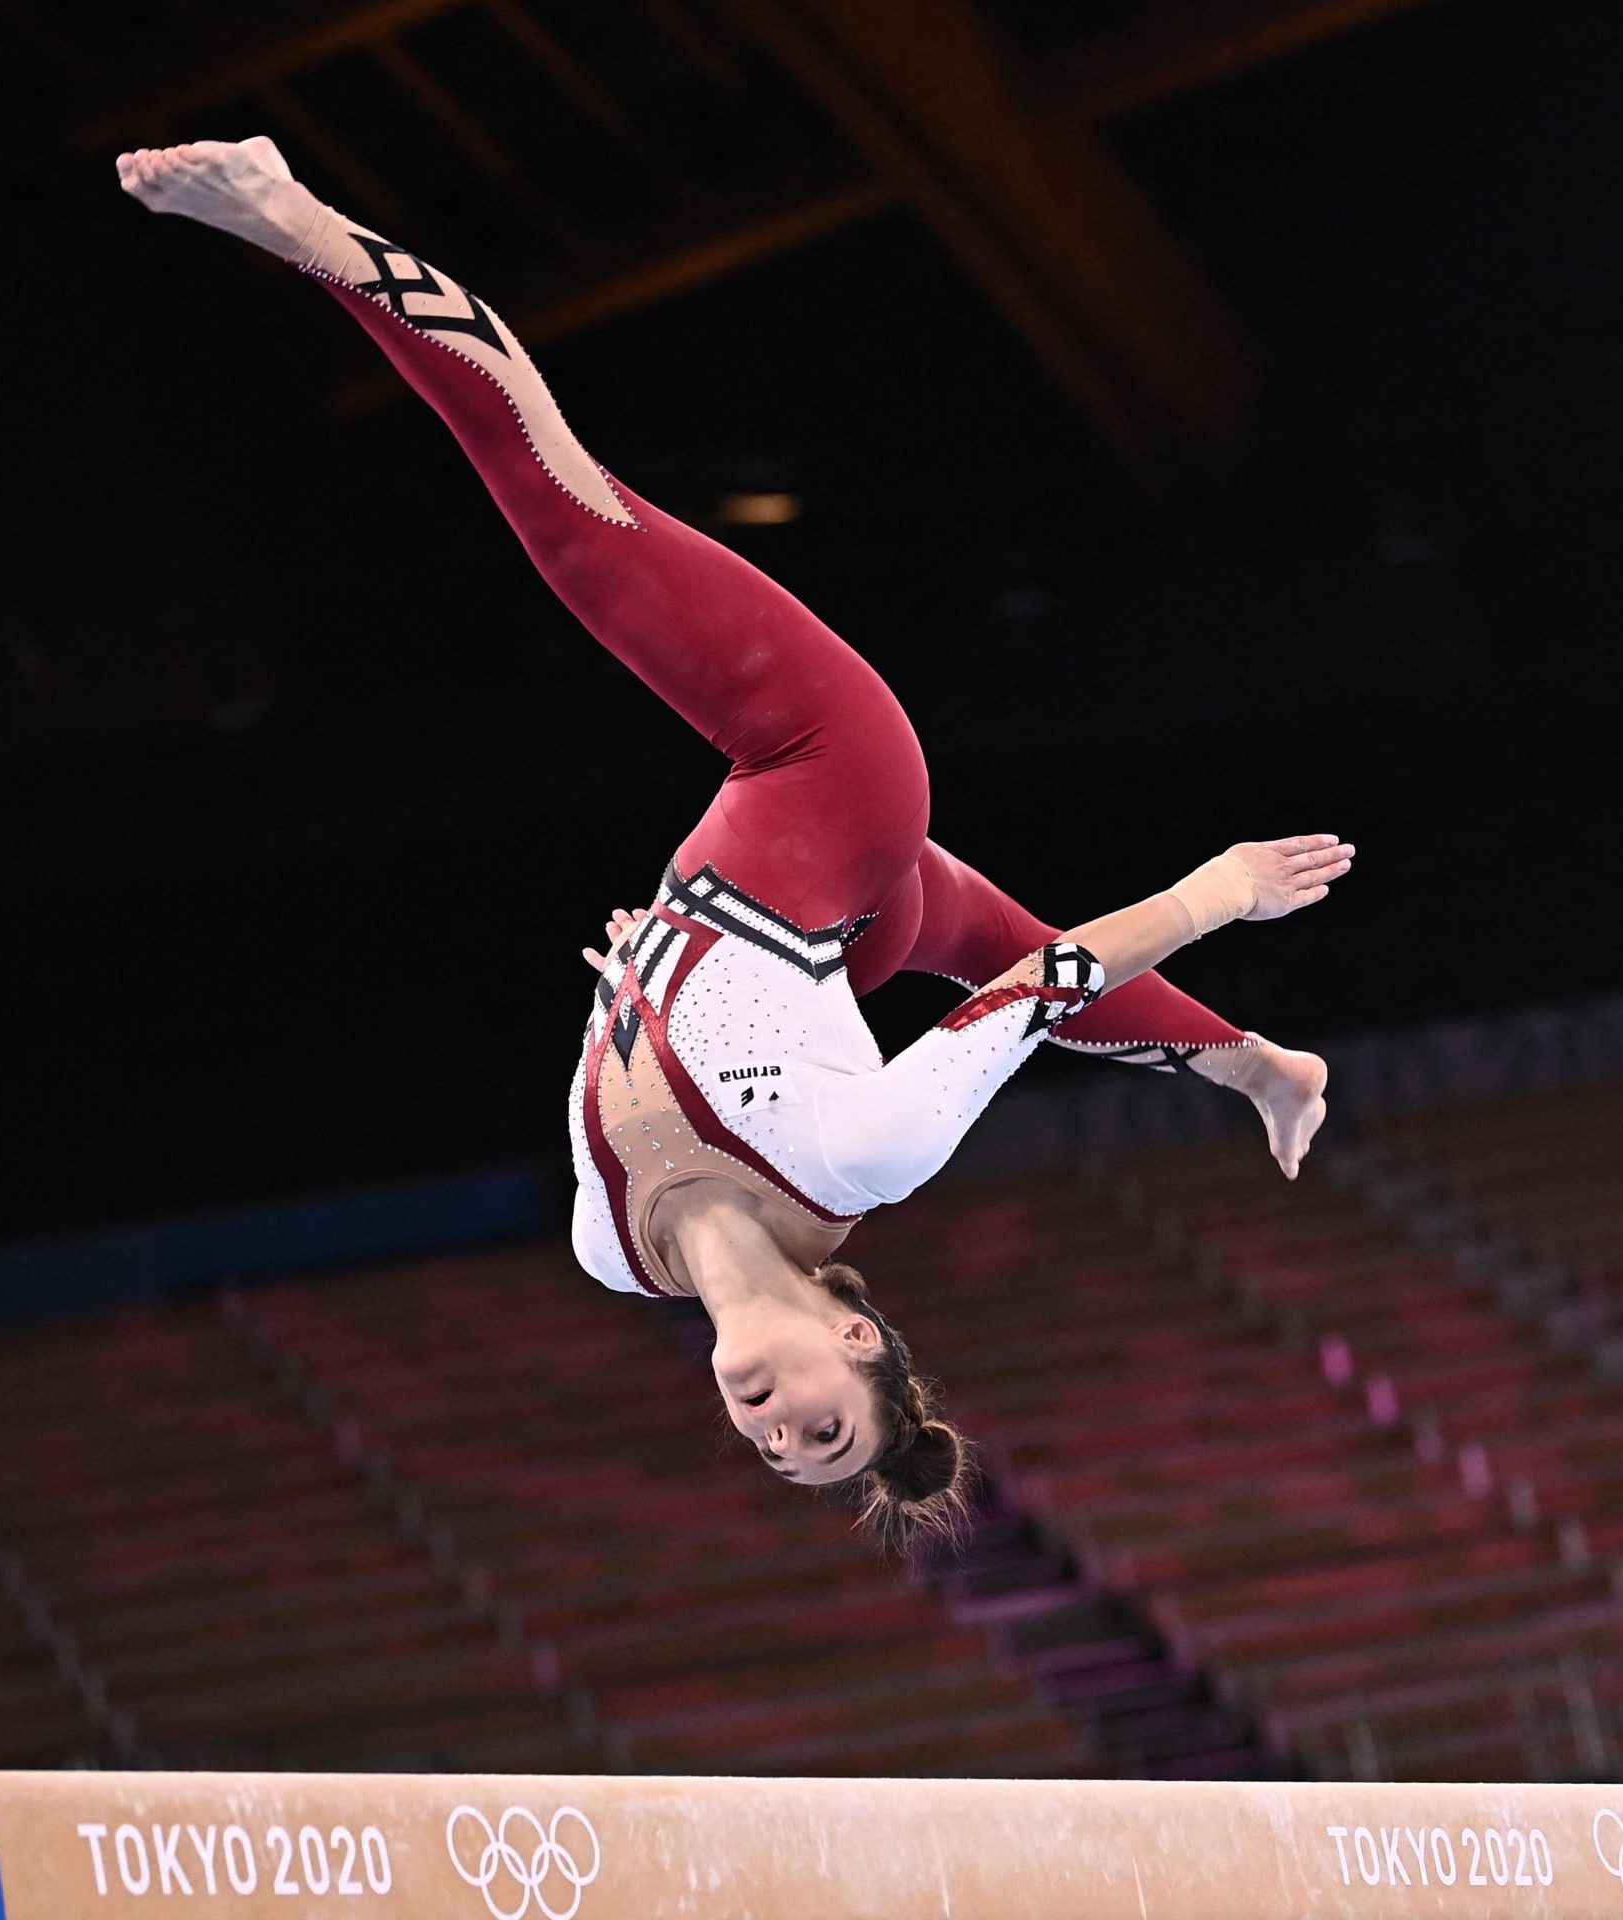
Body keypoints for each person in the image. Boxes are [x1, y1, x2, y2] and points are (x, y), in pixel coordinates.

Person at [118, 138, 1353, 1550]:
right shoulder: (864, 1158)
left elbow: (673, 1036)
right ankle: (295, 216)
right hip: (827, 776)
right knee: (571, 511)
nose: (778, 1427)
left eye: (777, 1454)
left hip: (822, 911)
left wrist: (634, 990)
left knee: (946, 926)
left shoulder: (606, 1250)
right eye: (825, 1426)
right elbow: (1044, 987)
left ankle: (1261, 1065)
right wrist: (1221, 888)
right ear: (859, 1330)